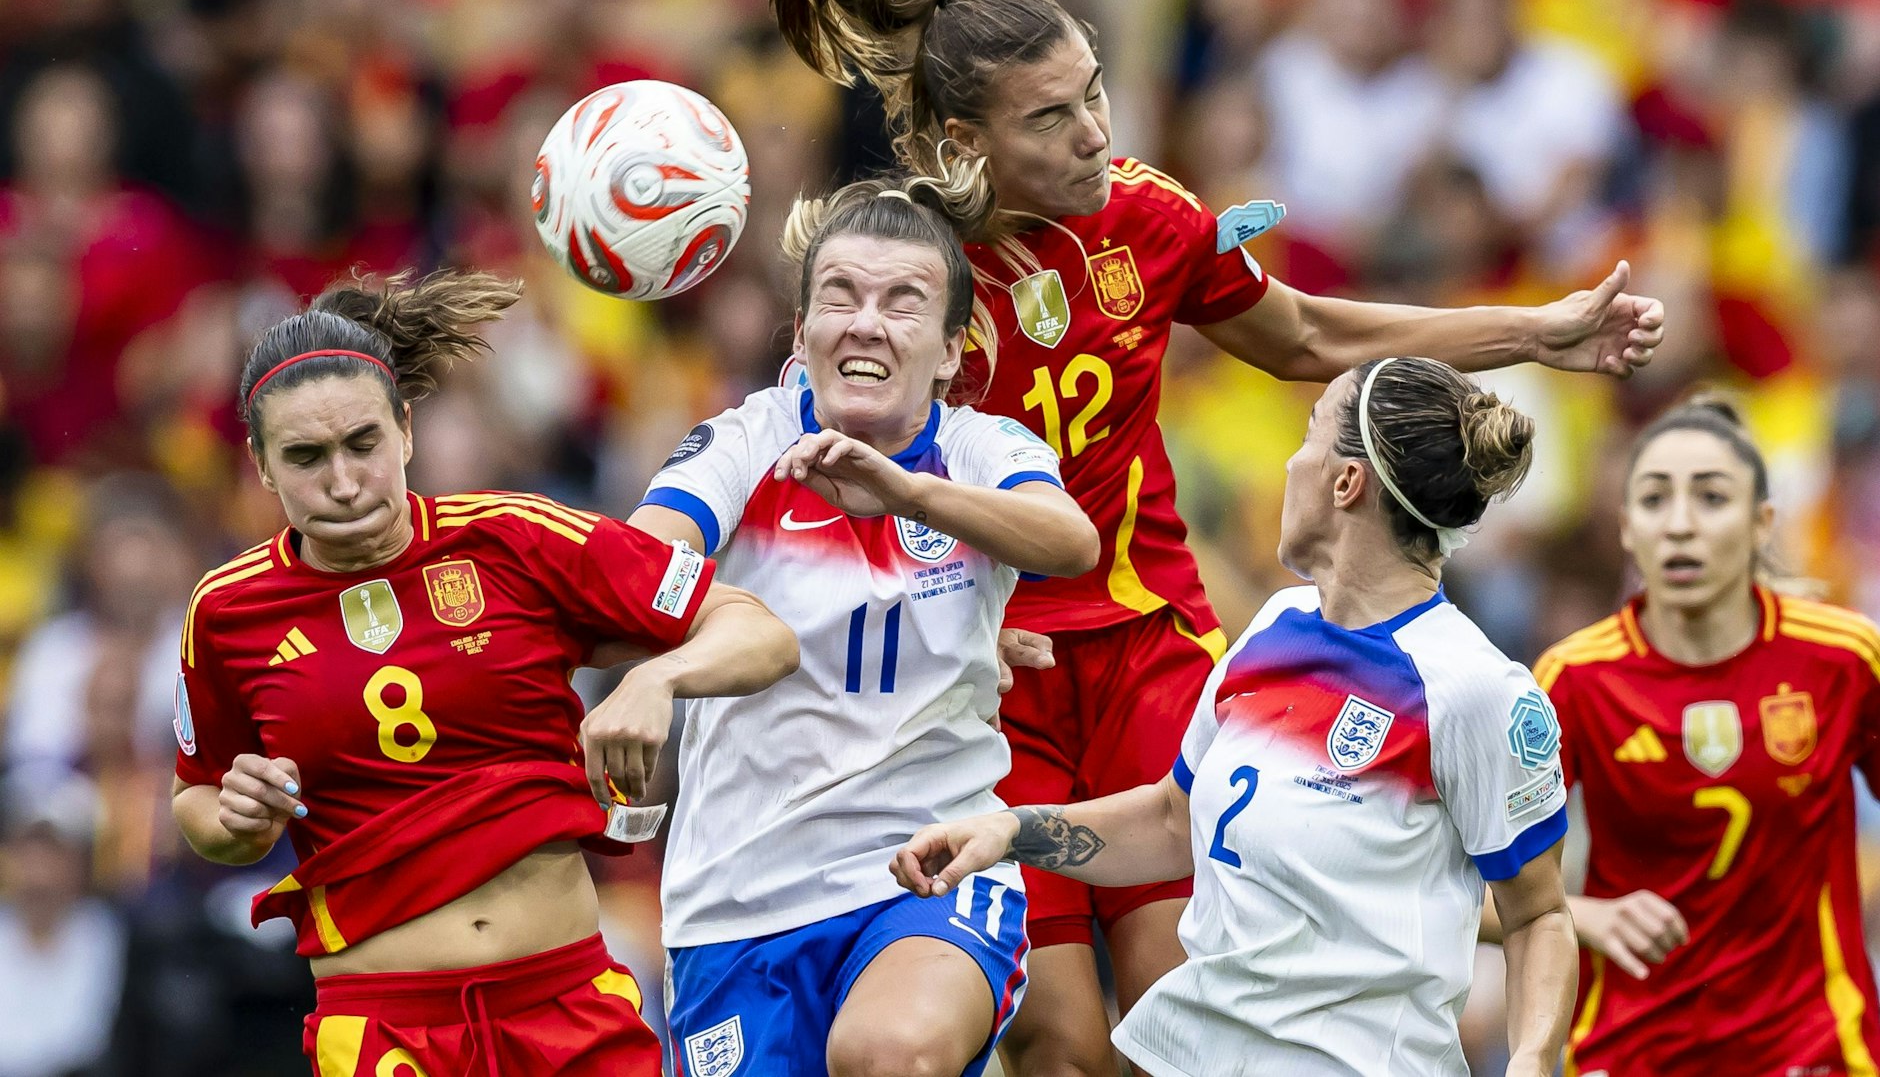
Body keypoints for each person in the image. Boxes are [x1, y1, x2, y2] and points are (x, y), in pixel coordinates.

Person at [763, 0, 1661, 1074]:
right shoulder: (899, 270)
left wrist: (1529, 331)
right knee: (1065, 1047)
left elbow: (1304, 339)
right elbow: (826, 476)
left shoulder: (1146, 217)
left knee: (1177, 1018)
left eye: (1094, 93)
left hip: (1145, 646)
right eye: (1052, 119)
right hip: (983, 672)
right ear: (962, 143)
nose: (1095, 132)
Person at [168, 270, 798, 1077]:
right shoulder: (225, 613)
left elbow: (760, 632)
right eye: (305, 456)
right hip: (386, 1032)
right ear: (259, 465)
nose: (344, 481)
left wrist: (655, 681)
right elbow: (196, 800)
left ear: (405, 429)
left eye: (363, 443)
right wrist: (238, 819)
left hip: (567, 1007)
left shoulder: (513, 539)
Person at [892, 356, 1578, 1077]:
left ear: (1347, 483)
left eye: (1310, 435)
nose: (1291, 461)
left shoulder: (1473, 689)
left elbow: (1539, 915)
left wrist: (1532, 1060)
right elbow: (1169, 821)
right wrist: (1010, 831)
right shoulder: (1276, 626)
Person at [631, 168, 1100, 1077]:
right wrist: (655, 667)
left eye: (903, 302)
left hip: (924, 864)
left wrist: (908, 491)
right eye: (840, 297)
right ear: (801, 332)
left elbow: (1068, 540)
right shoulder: (748, 440)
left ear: (954, 348)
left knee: (889, 1055)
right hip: (735, 895)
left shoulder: (978, 448)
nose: (867, 324)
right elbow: (641, 561)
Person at [1509, 397, 1880, 1074]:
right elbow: (1463, 881)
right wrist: (1586, 916)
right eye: (1654, 501)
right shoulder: (1573, 679)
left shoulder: (1846, 658)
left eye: (1711, 498)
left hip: (1813, 1051)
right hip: (1633, 1051)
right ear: (1626, 528)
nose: (1680, 525)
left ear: (1762, 522)